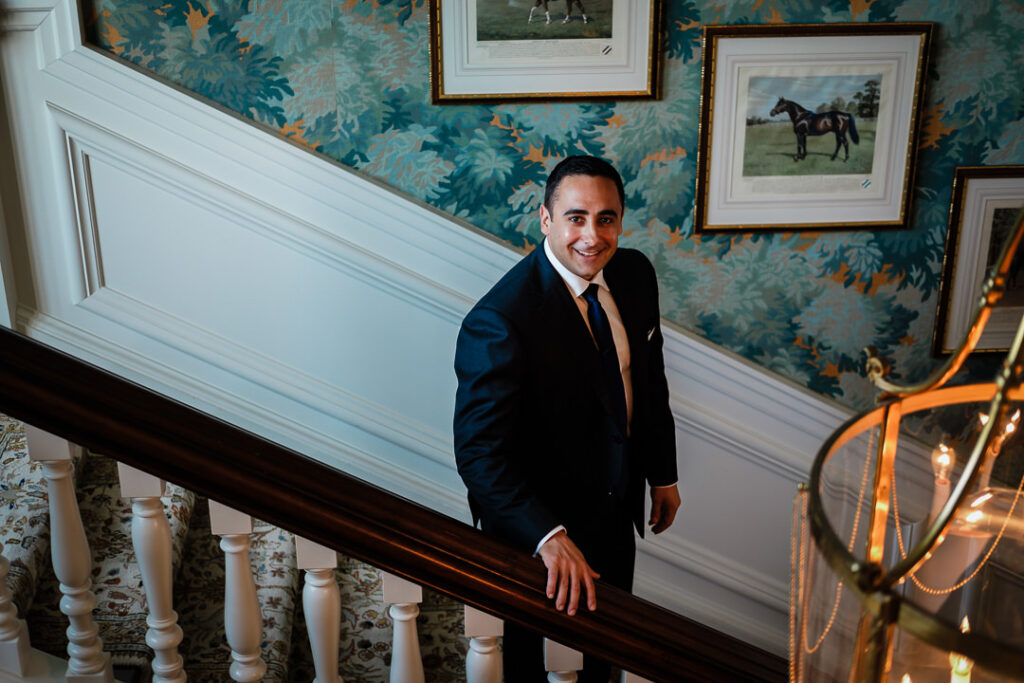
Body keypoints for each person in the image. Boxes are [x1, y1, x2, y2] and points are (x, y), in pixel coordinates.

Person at [453, 155, 681, 681]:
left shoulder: (635, 274)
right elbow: (479, 454)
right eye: (576, 217)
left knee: (603, 661)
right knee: (537, 670)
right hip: (538, 539)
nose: (592, 236)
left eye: (606, 219)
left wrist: (662, 474)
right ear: (545, 219)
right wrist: (547, 535)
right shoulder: (500, 320)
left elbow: (647, 379)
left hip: (616, 514)